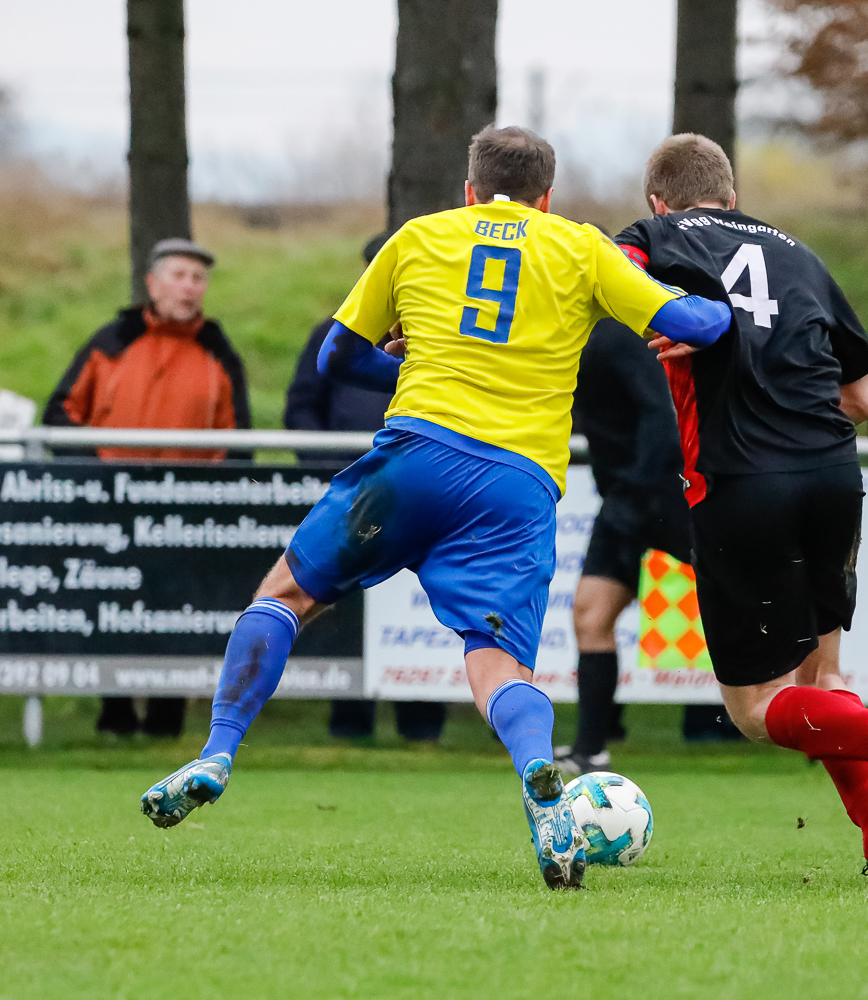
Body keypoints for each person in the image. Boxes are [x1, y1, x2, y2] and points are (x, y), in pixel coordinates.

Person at [138, 126, 732, 892]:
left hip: (416, 456)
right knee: (498, 663)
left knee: (284, 594)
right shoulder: (581, 247)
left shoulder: (419, 237)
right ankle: (539, 778)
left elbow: (335, 357)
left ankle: (218, 750)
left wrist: (405, 364)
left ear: (470, 188)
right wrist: (718, 311)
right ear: (547, 197)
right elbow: (695, 324)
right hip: (515, 484)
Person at [615, 133, 868, 884]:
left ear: (657, 201)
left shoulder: (656, 236)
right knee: (825, 680)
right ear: (733, 195)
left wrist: (679, 324)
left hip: (740, 482)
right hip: (833, 478)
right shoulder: (800, 255)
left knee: (756, 708)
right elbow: (864, 400)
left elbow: (610, 273)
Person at [45, 237, 250, 740]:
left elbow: (239, 441)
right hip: (110, 509)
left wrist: (209, 495)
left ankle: (165, 721)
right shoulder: (111, 341)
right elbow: (61, 415)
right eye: (179, 276)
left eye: (198, 278)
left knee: (177, 612)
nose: (189, 287)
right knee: (111, 606)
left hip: (186, 512)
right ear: (153, 284)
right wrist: (98, 477)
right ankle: (114, 715)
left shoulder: (218, 352)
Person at [284, 231, 447, 744]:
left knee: (425, 602)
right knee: (343, 600)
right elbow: (301, 407)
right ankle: (349, 722)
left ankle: (423, 725)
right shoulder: (333, 335)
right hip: (356, 494)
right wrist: (332, 469)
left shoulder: (446, 336)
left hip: (424, 492)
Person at [555, 317, 695, 776]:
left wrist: (638, 492)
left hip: (666, 496)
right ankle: (590, 750)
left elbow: (661, 413)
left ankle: (815, 720)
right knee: (590, 615)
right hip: (622, 499)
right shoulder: (567, 333)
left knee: (750, 603)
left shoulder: (614, 336)